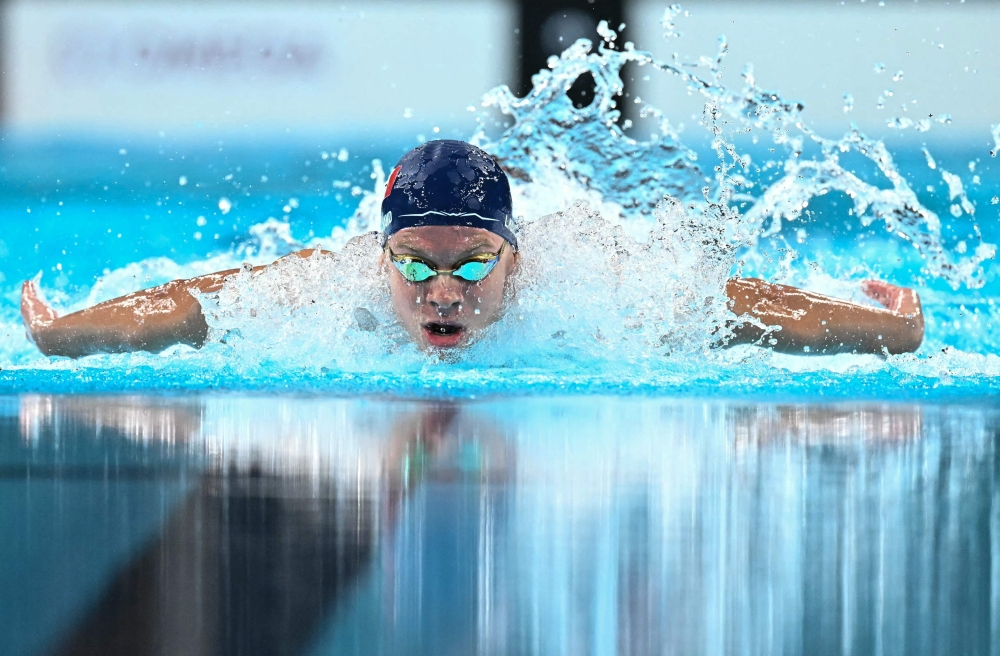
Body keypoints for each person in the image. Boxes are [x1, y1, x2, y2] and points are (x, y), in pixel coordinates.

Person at [20, 140, 924, 359]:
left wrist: (889, 332)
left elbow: (742, 305)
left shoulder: (595, 289)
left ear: (514, 258)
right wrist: (65, 335)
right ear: (381, 259)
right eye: (414, 263)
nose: (440, 291)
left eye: (470, 264)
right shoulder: (332, 288)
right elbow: (195, 301)